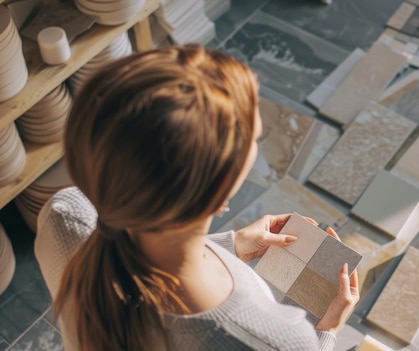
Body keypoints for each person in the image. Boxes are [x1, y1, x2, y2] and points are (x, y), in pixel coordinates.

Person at [34, 44, 359, 351]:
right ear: (218, 193)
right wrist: (327, 330)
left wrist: (232, 246)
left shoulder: (65, 215)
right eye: (255, 138)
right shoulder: (278, 340)